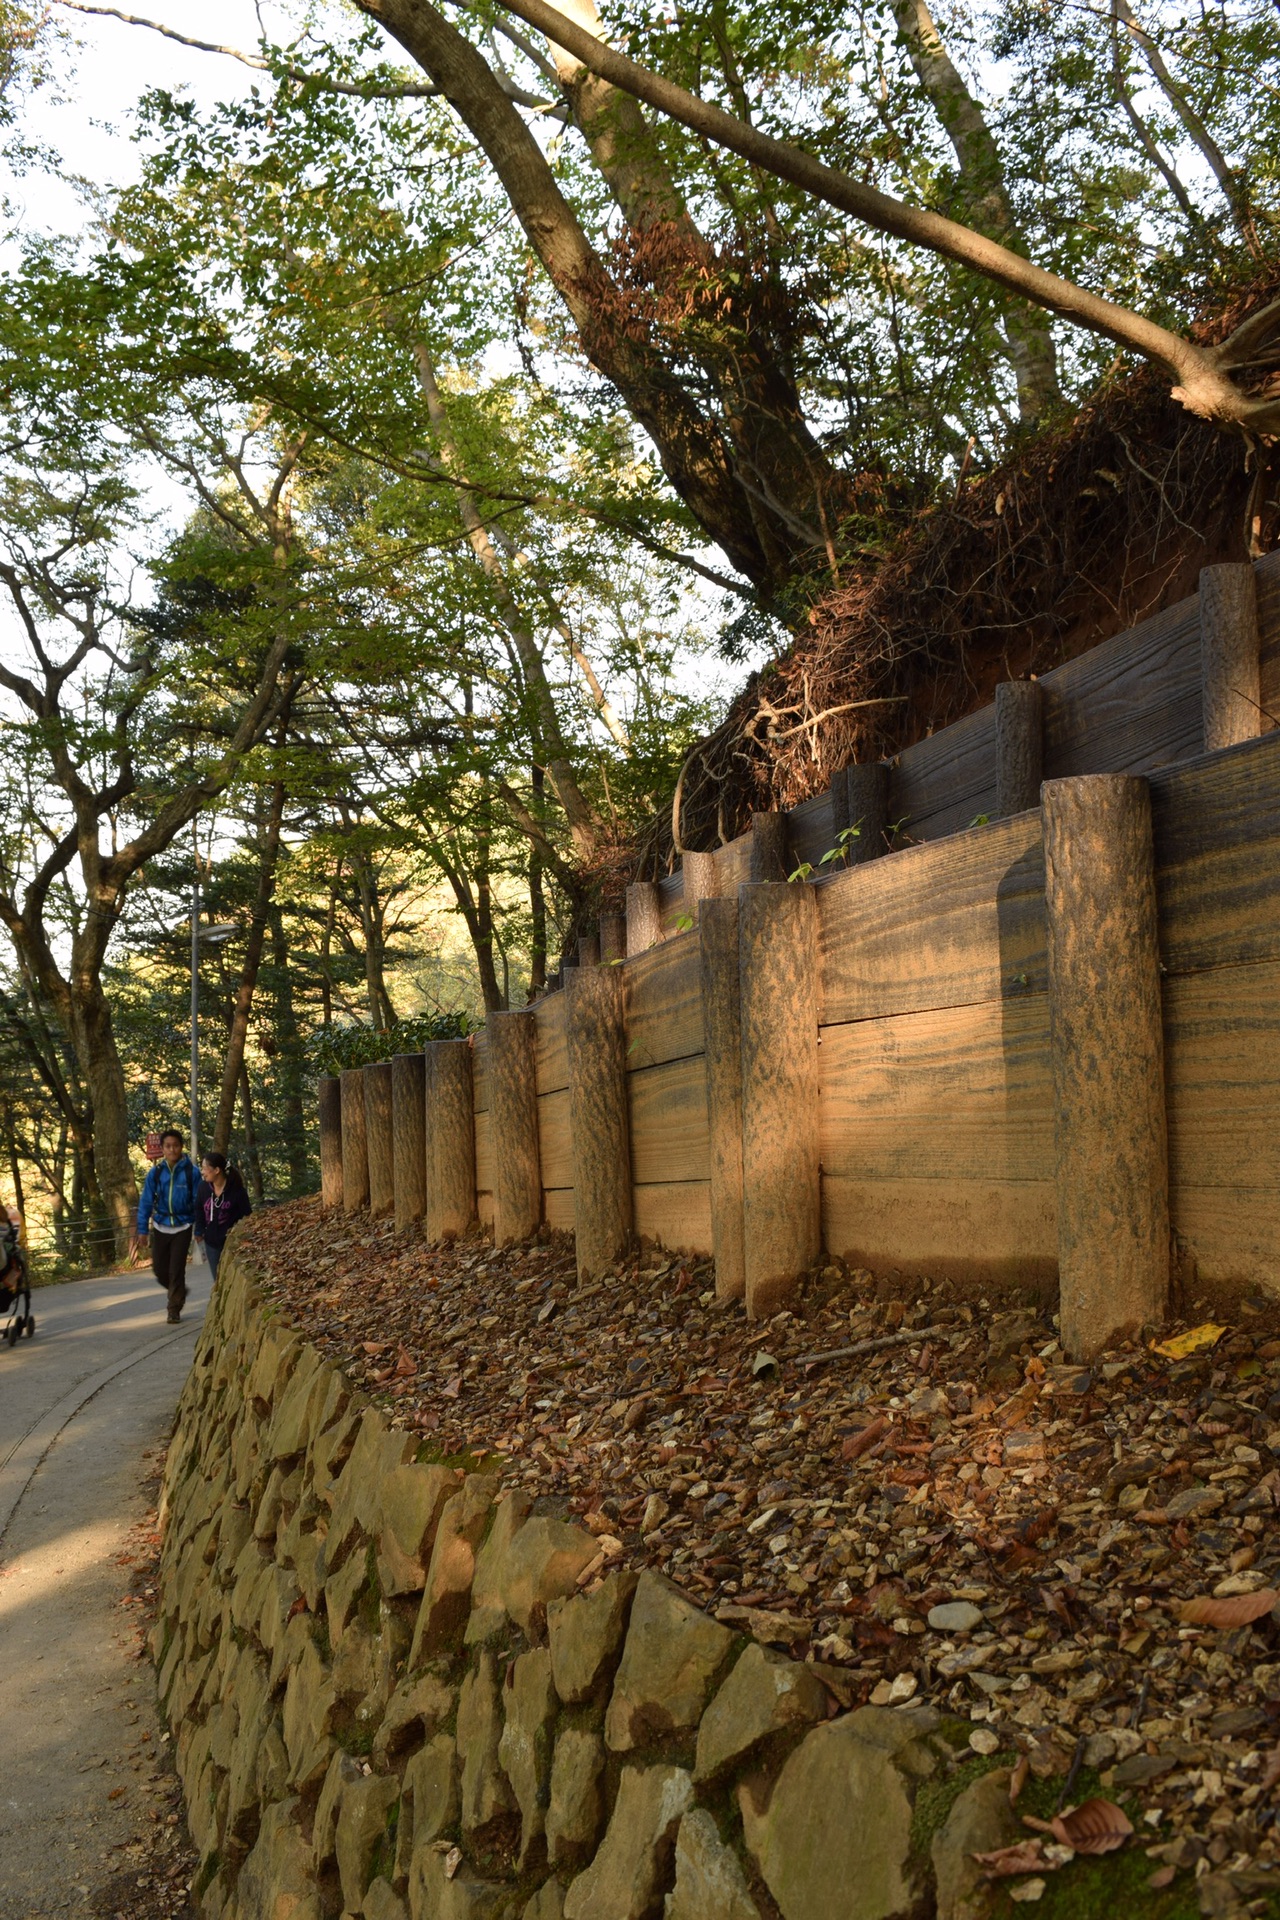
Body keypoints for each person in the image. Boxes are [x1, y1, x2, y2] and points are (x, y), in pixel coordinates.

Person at [132, 1129, 199, 1322]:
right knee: (160, 1270)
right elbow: (145, 1202)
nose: (172, 1150)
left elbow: (198, 1201)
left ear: (181, 1147)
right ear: (162, 1149)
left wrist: (199, 1227)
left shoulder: (191, 1173)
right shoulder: (156, 1173)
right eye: (168, 1146)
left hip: (183, 1226)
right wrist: (142, 1230)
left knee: (176, 1269)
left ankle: (174, 1309)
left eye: (175, 1146)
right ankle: (178, 1291)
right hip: (161, 1225)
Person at [193, 1152, 251, 1281]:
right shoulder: (203, 1188)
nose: (202, 1172)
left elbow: (248, 1216)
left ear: (217, 1170)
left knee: (234, 1279)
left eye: (204, 1168)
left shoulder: (237, 1191)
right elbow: (198, 1209)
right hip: (212, 1243)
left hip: (233, 1243)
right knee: (218, 1280)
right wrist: (199, 1230)